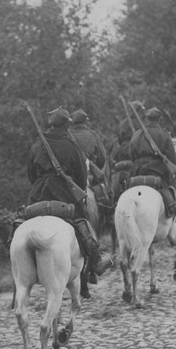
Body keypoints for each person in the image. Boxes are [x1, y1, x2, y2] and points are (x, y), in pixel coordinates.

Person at [26, 107, 114, 276]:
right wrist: (78, 192)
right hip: (65, 193)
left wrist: (41, 184)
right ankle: (95, 260)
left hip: (38, 193)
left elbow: (31, 174)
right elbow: (81, 177)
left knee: (23, 219)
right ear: (66, 125)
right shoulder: (72, 147)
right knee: (82, 219)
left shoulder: (37, 145)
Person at [129, 106, 176, 227]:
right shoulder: (164, 134)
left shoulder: (137, 134)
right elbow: (171, 158)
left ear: (146, 119)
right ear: (159, 120)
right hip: (158, 169)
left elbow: (131, 155)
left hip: (138, 169)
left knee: (127, 189)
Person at [69, 109, 109, 181]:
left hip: (72, 176)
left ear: (72, 123)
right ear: (86, 122)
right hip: (91, 176)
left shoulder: (67, 136)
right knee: (107, 190)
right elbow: (102, 159)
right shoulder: (93, 135)